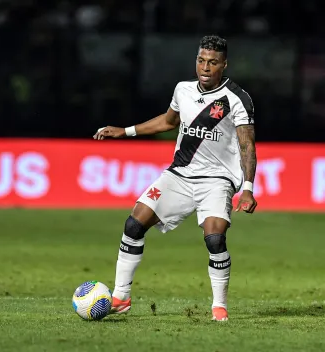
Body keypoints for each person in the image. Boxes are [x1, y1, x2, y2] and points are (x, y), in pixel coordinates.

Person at [93, 35, 257, 321]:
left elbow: (247, 145)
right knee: (134, 223)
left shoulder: (237, 99)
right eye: (201, 60)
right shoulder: (183, 90)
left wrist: (247, 188)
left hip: (216, 180)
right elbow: (168, 122)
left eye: (213, 62)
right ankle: (121, 296)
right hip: (179, 175)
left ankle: (219, 306)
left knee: (215, 238)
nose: (205, 67)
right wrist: (125, 131)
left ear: (224, 65)